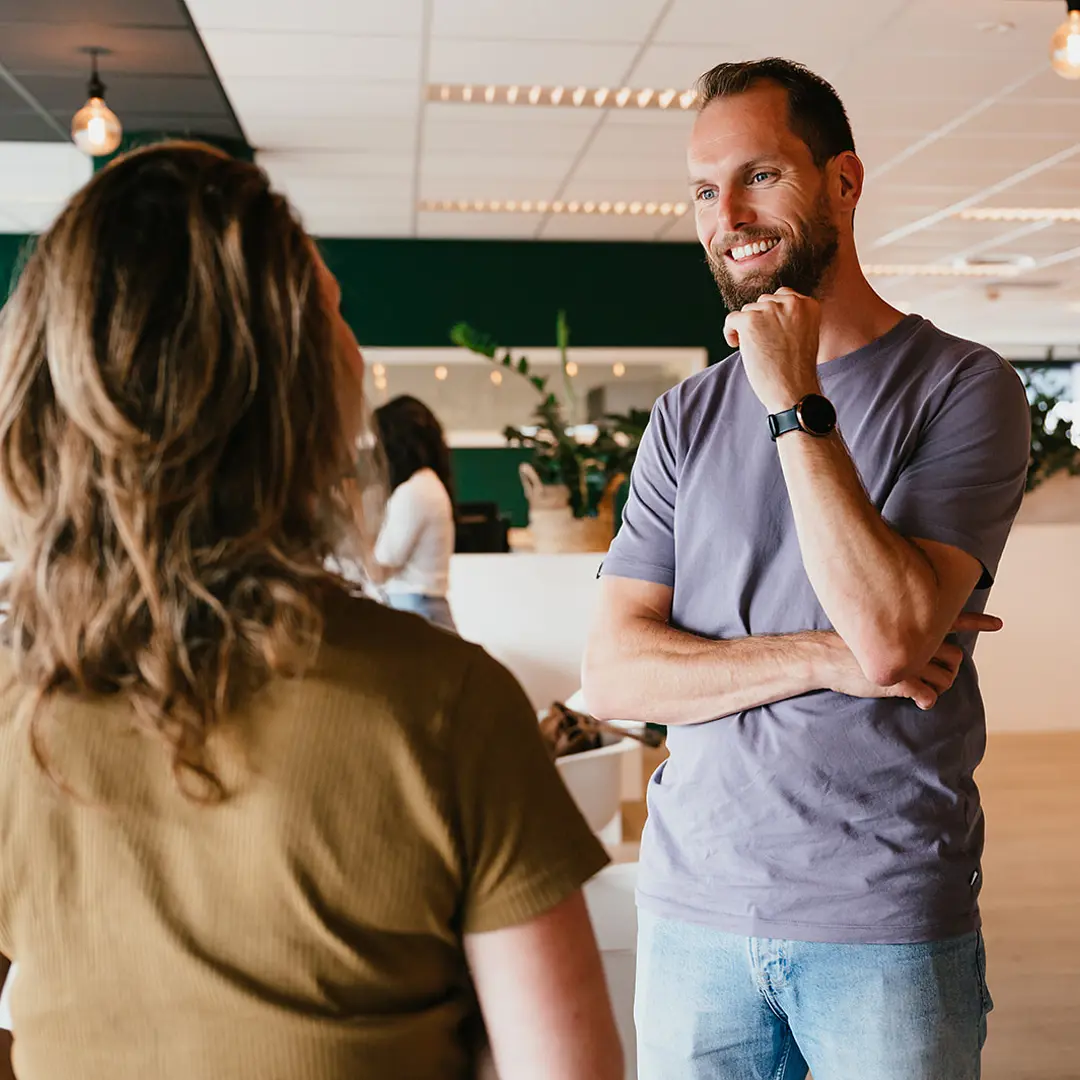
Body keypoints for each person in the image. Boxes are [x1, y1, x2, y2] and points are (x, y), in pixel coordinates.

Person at [0, 141, 622, 1080]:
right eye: (334, 309)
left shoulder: (17, 708)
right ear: (290, 391)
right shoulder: (448, 708)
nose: (356, 348)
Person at [582, 58, 1029, 1080]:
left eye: (759, 176)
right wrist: (827, 658)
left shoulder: (964, 387)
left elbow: (893, 637)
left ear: (844, 181)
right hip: (691, 915)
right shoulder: (687, 414)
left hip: (881, 918)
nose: (728, 216)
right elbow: (614, 675)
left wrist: (792, 399)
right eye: (704, 190)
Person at [367, 394, 458, 632]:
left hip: (414, 608)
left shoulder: (413, 492)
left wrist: (356, 518)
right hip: (424, 606)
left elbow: (378, 571)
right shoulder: (428, 485)